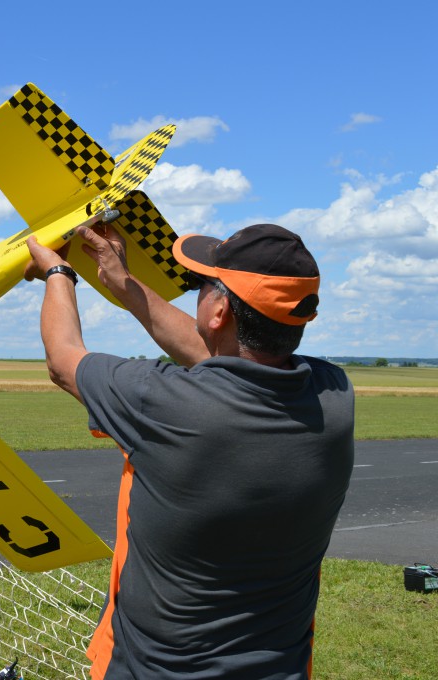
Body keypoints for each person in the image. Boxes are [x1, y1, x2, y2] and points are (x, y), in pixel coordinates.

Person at [24, 223, 354, 679]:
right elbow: (219, 355)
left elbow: (63, 359)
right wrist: (123, 283)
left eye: (203, 286)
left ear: (219, 309)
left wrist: (59, 271)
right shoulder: (333, 395)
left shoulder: (164, 403)